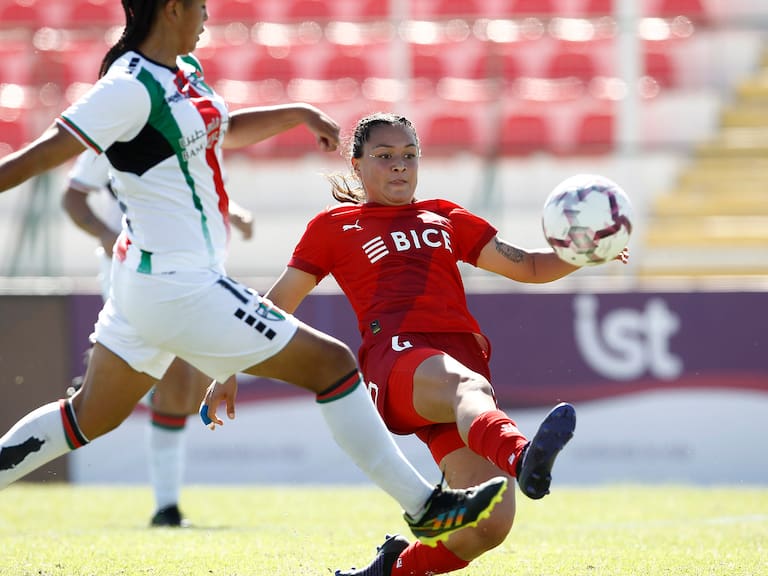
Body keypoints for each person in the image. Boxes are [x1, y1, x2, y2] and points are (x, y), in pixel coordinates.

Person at [0, 0, 508, 548]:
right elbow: (41, 155)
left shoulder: (182, 74)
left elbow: (219, 132)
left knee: (88, 416)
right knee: (333, 364)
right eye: (199, 6)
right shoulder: (127, 88)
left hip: (145, 280)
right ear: (171, 9)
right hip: (178, 283)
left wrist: (295, 112)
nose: (207, 16)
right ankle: (424, 506)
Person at [263, 112, 631, 576]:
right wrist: (228, 369)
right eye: (384, 156)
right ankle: (522, 455)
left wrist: (586, 252)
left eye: (409, 156)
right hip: (396, 358)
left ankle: (390, 570)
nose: (400, 166)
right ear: (356, 166)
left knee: (489, 526)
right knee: (465, 386)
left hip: (457, 367)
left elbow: (531, 268)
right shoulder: (334, 226)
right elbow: (276, 305)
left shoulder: (445, 215)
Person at [62, 148, 253, 527]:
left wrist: (233, 213)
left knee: (177, 382)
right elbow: (73, 197)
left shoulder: (197, 131)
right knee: (169, 375)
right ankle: (112, 370)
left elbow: (203, 196)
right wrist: (106, 235)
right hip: (131, 270)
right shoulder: (115, 132)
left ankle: (166, 508)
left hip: (191, 269)